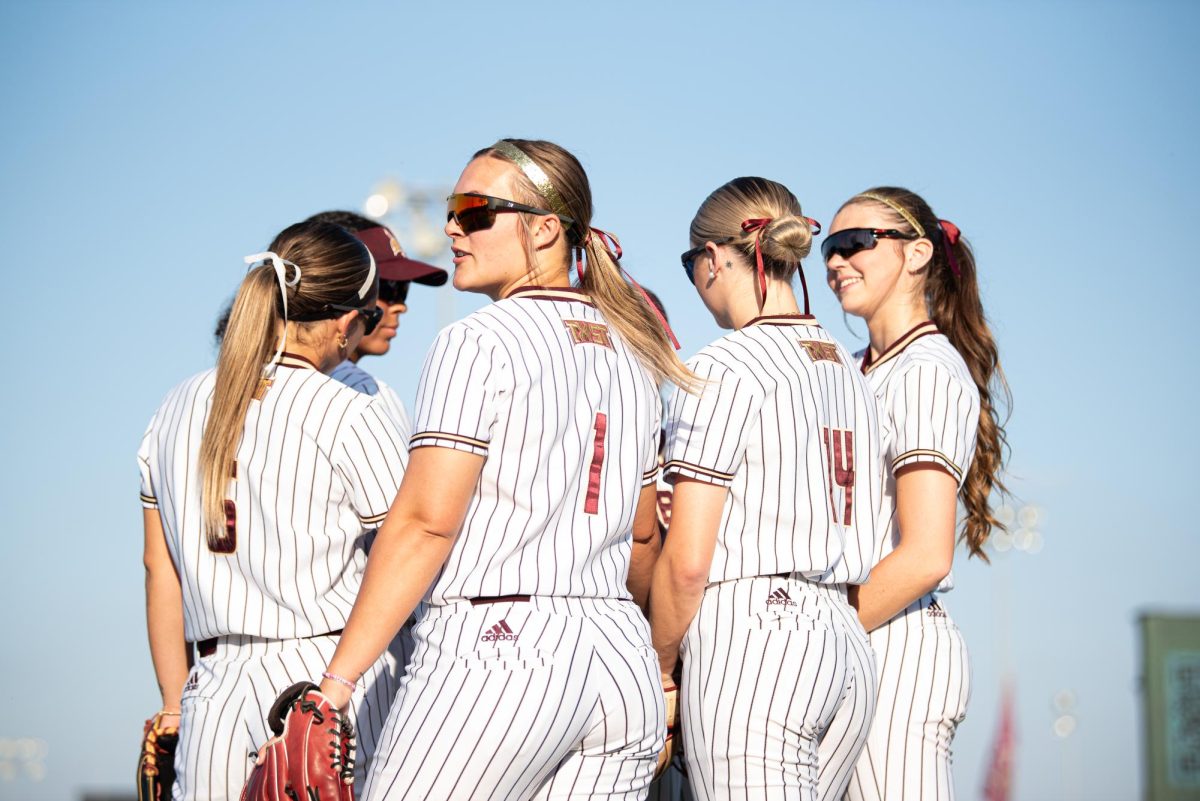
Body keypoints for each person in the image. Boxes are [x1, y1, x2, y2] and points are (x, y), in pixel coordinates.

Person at [316, 138, 693, 800]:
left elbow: (427, 524)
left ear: (546, 228)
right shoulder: (634, 349)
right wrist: (656, 664)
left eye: (475, 210)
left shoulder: (476, 339)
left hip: (501, 647)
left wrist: (337, 683)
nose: (453, 226)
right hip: (618, 660)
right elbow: (642, 540)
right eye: (454, 209)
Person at [139, 221, 410, 800]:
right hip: (329, 672)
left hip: (210, 684)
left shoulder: (177, 403)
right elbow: (411, 549)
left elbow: (159, 568)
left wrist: (172, 701)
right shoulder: (350, 404)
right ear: (344, 323)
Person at [650, 177, 883, 800]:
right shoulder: (844, 362)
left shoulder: (722, 365)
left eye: (690, 261)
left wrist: (661, 665)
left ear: (715, 258)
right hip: (845, 636)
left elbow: (689, 560)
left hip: (756, 636)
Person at [822, 187, 1009, 801]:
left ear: (918, 253)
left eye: (855, 244)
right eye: (829, 247)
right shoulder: (853, 368)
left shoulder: (927, 367)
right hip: (854, 641)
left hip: (896, 648)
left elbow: (928, 554)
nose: (834, 262)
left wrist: (815, 634)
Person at [307, 210, 448, 440]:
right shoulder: (366, 391)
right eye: (387, 287)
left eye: (403, 290)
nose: (400, 306)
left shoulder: (259, 381)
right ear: (333, 286)